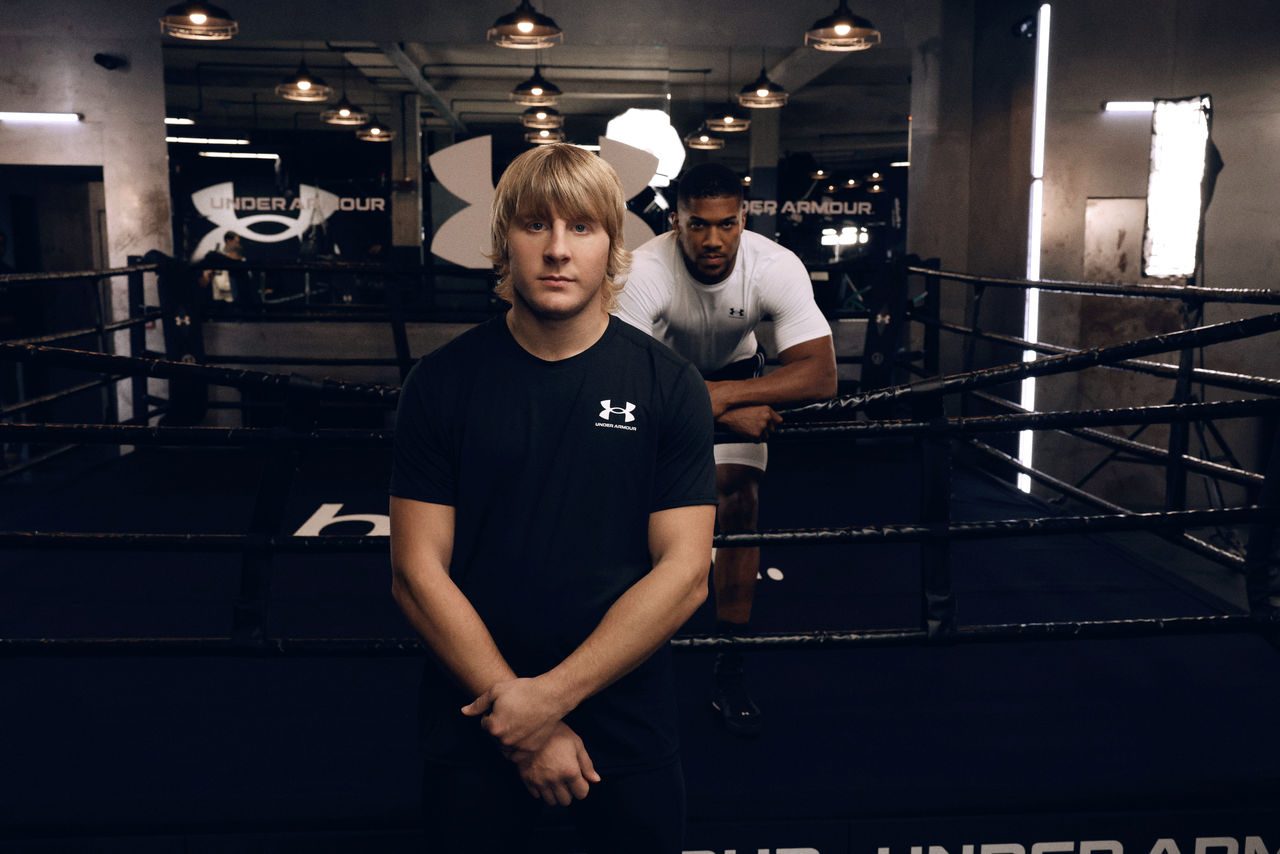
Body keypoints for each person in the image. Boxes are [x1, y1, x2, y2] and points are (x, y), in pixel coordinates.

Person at [389, 143, 717, 853]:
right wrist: (518, 714)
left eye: (582, 227)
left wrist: (546, 701)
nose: (558, 250)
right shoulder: (440, 384)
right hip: (476, 711)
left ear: (612, 246)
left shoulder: (668, 385)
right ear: (504, 240)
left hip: (624, 716)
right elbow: (416, 572)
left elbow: (686, 573)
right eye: (535, 224)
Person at [614, 162, 837, 737]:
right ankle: (628, 657)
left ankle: (730, 662)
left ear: (743, 218)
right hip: (657, 390)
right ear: (676, 221)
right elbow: (623, 376)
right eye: (698, 225)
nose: (713, 240)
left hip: (734, 382)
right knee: (636, 513)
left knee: (739, 502)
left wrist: (722, 398)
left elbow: (820, 375)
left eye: (726, 224)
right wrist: (715, 405)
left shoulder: (774, 266)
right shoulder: (643, 270)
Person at [196, 231, 245, 303]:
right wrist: (208, 275)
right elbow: (203, 282)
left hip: (233, 298)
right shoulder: (215, 258)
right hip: (218, 299)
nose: (238, 245)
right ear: (228, 241)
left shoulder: (239, 261)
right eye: (236, 242)